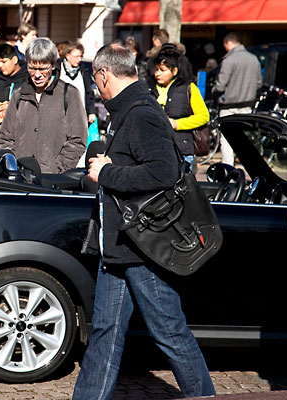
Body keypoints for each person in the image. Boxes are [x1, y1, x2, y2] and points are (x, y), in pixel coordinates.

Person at [72, 43, 215, 400]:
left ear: (104, 74)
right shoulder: (130, 111)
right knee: (105, 333)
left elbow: (164, 172)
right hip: (120, 247)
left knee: (169, 332)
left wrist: (108, 172)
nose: (96, 88)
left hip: (143, 249)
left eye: (96, 80)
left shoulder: (141, 114)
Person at [0, 38, 86, 173]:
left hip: (52, 180)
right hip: (20, 177)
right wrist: (12, 166)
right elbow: (6, 137)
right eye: (32, 68)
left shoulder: (69, 94)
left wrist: (58, 169)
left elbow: (77, 140)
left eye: (42, 69)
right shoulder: (18, 94)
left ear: (52, 65)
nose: (37, 75)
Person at [149, 45, 209, 172]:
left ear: (174, 71)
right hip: (155, 150)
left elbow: (203, 116)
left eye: (162, 70)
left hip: (182, 150)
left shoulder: (189, 88)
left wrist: (177, 124)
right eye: (156, 69)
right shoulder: (150, 90)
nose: (157, 74)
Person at [212, 32, 261, 166]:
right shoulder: (253, 59)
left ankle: (228, 167)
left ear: (228, 43)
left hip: (229, 105)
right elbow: (258, 83)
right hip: (247, 104)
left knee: (227, 139)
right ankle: (249, 166)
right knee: (244, 138)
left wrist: (215, 91)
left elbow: (221, 85)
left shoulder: (229, 60)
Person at [59, 41, 96, 127]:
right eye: (76, 56)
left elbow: (88, 93)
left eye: (81, 56)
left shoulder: (83, 71)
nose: (79, 59)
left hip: (80, 116)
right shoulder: (58, 70)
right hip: (61, 116)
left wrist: (91, 112)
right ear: (67, 56)